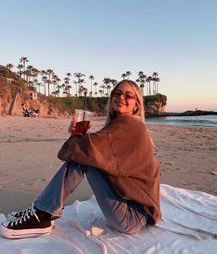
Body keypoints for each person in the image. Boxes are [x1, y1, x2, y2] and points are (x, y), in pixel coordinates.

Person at [0, 80, 161, 239]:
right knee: (86, 155)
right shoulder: (123, 125)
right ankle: (40, 210)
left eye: (128, 95)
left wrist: (77, 136)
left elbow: (87, 150)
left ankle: (43, 214)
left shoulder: (131, 126)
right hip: (128, 210)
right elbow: (98, 152)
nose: (121, 97)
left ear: (136, 105)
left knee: (84, 157)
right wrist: (78, 137)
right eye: (117, 93)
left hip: (133, 216)